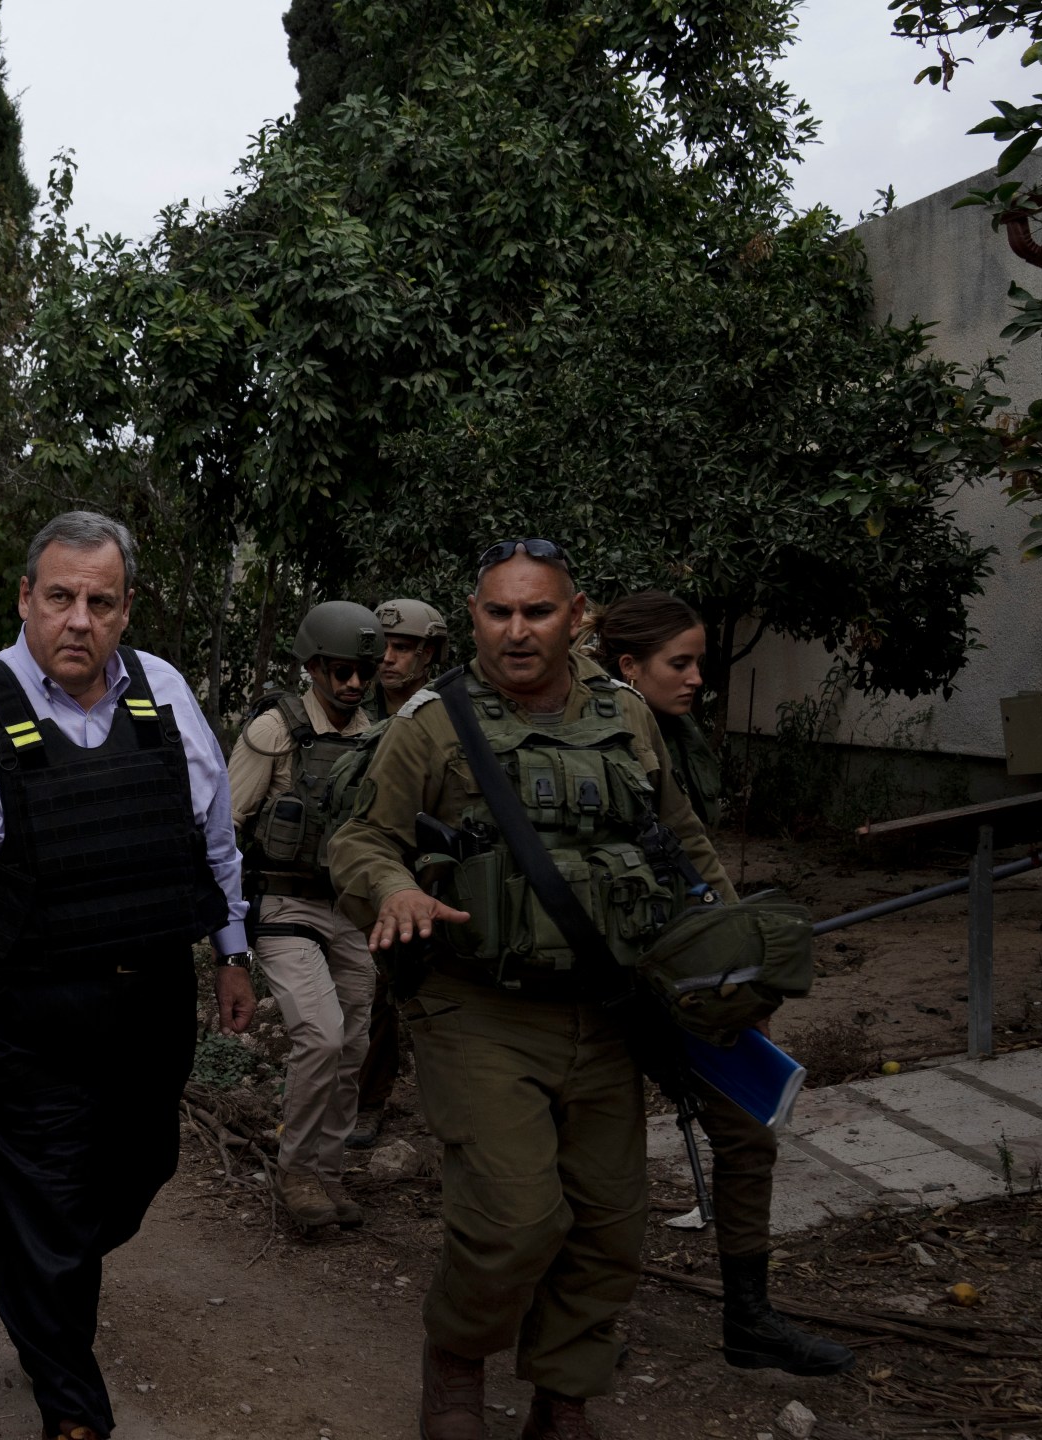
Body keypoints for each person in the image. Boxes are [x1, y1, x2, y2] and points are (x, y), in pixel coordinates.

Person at [326, 540, 732, 1440]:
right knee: (514, 1215)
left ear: (577, 615)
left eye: (538, 612)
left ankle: (562, 1395)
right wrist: (392, 888)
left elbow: (683, 842)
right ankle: (458, 1361)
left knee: (608, 1224)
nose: (517, 631)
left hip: (609, 1009)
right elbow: (359, 842)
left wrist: (729, 950)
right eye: (498, 613)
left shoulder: (627, 715)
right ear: (473, 617)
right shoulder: (433, 722)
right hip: (478, 1007)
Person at [0, 511, 252, 1440]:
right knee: (40, 1204)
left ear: (125, 611)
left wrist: (234, 950)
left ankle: (48, 1290)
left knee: (133, 1174)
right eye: (60, 598)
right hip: (18, 1018)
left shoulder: (162, 691)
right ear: (25, 600)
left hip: (151, 1004)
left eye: (101, 602)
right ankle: (71, 1405)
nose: (79, 619)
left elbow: (212, 838)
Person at [591, 591, 850, 1378]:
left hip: (683, 967)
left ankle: (748, 1319)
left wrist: (740, 959)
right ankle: (581, 1327)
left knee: (744, 1131)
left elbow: (690, 843)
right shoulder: (609, 727)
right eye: (682, 662)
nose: (698, 676)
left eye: (698, 659)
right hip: (623, 973)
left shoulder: (665, 734)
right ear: (629, 666)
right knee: (597, 1156)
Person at [225, 601, 386, 1230]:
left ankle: (328, 1171)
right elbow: (224, 826)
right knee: (319, 1035)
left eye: (362, 673)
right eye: (341, 671)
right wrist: (226, 938)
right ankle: (295, 1171)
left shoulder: (372, 736)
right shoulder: (276, 729)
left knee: (353, 1044)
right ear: (314, 665)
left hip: (346, 907)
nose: (352, 684)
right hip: (282, 903)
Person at [348, 597, 448, 1151]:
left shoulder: (447, 716)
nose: (388, 659)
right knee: (374, 991)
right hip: (376, 867)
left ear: (428, 653)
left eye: (403, 648)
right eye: (382, 647)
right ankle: (368, 1100)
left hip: (432, 871)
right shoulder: (357, 712)